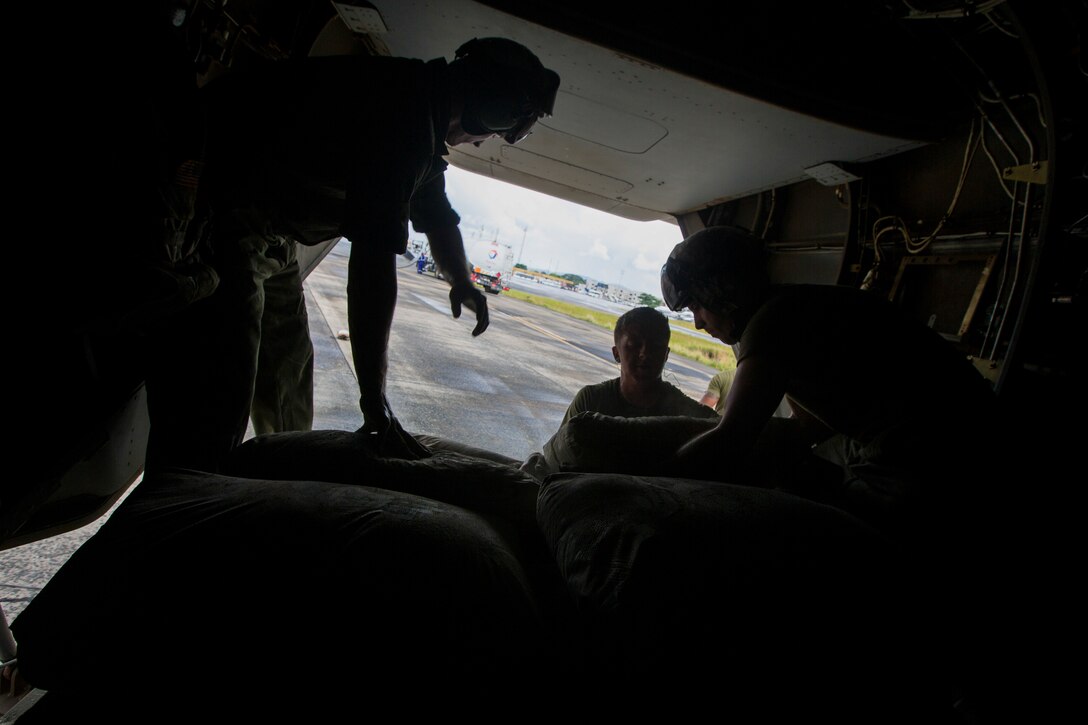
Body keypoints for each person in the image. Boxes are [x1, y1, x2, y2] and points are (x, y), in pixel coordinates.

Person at [143, 37, 561, 473]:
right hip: (221, 220)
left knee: (287, 370)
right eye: (496, 131)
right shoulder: (401, 117)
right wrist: (373, 398)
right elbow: (371, 270)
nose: (481, 143)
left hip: (271, 233)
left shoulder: (420, 112)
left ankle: (288, 475)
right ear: (490, 106)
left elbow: (436, 214)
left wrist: (461, 280)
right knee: (216, 393)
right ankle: (185, 486)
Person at [660, 226, 1001, 547]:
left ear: (724, 290)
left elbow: (732, 437)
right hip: (947, 437)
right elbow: (808, 426)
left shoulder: (770, 324)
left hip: (936, 454)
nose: (698, 322)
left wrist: (652, 480)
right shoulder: (793, 306)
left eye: (697, 305)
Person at [558, 306, 718, 425]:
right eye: (634, 345)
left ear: (666, 354)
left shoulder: (689, 413)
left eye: (655, 346)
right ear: (616, 353)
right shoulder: (589, 401)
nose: (644, 353)